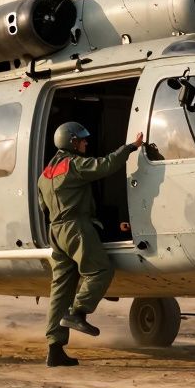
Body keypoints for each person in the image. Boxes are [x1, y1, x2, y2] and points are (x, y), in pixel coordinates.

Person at [37, 121, 144, 367]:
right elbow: (104, 165)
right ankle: (78, 313)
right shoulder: (73, 165)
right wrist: (130, 147)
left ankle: (54, 350)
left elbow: (43, 206)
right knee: (100, 270)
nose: (86, 143)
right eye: (82, 140)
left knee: (60, 290)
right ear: (72, 142)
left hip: (55, 231)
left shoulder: (45, 175)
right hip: (76, 228)